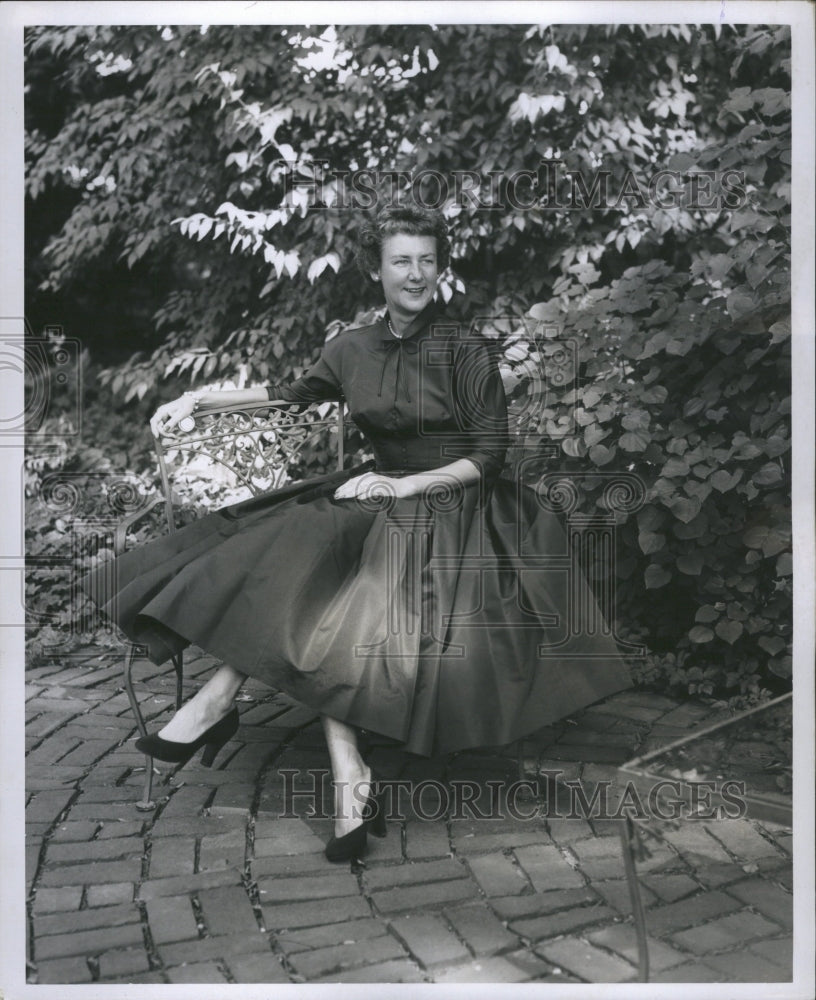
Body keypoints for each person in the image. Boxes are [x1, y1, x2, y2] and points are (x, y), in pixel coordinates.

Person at [82, 203, 632, 862]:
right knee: (293, 546)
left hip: (459, 508)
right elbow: (294, 393)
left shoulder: (465, 349)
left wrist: (402, 487)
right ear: (377, 270)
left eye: (428, 261)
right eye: (402, 260)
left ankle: (227, 710)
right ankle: (343, 772)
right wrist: (202, 400)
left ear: (441, 268)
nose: (416, 273)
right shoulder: (350, 348)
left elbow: (489, 457)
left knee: (352, 591)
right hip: (380, 496)